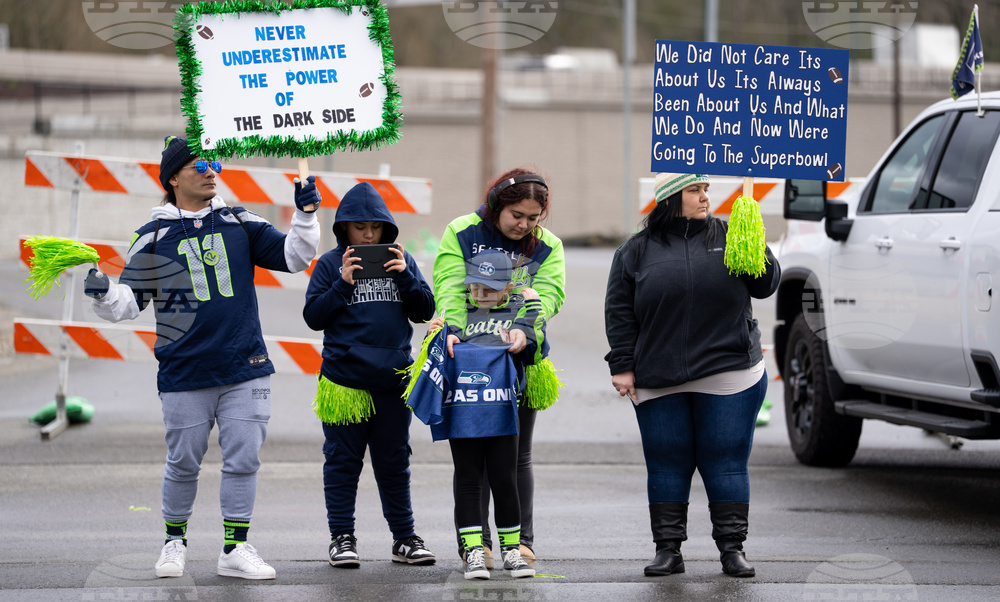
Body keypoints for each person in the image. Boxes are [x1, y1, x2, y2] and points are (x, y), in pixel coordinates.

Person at [82, 136, 322, 580]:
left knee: (244, 459)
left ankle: (235, 547)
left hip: (244, 367)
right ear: (173, 177)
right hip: (184, 372)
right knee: (183, 463)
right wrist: (102, 294)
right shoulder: (151, 238)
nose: (211, 170)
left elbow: (295, 256)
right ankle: (174, 541)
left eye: (214, 162)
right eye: (199, 165)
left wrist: (305, 215)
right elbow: (128, 305)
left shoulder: (239, 220)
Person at [603, 172, 780, 578]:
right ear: (668, 199)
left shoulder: (731, 234)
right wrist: (623, 366)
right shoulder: (635, 251)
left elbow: (766, 286)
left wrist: (755, 244)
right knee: (667, 463)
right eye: (694, 191)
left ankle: (732, 550)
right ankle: (668, 550)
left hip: (729, 370)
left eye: (706, 190)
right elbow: (619, 313)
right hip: (658, 373)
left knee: (726, 461)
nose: (705, 198)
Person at [433, 167, 565, 565]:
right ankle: (477, 546)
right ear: (497, 205)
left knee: (516, 456)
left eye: (532, 218)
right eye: (516, 216)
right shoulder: (461, 231)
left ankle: (521, 542)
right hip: (470, 362)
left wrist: (527, 330)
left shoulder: (548, 245)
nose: (523, 225)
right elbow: (449, 285)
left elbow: (550, 293)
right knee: (473, 461)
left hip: (519, 363)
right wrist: (455, 330)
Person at [302, 181, 437, 569]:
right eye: (358, 226)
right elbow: (313, 318)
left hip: (393, 382)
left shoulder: (401, 259)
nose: (367, 233)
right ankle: (342, 537)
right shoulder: (330, 264)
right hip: (345, 383)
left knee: (394, 462)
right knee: (342, 462)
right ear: (343, 227)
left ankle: (404, 537)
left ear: (385, 228)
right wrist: (342, 284)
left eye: (374, 227)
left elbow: (425, 312)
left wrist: (406, 277)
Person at [424, 248, 545, 580]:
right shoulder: (457, 314)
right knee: (468, 480)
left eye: (490, 289)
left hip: (504, 409)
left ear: (507, 288)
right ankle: (474, 552)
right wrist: (436, 332)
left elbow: (537, 346)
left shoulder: (519, 313)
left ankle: (512, 551)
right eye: (475, 287)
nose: (481, 294)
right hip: (463, 409)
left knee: (505, 479)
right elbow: (434, 349)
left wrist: (532, 309)